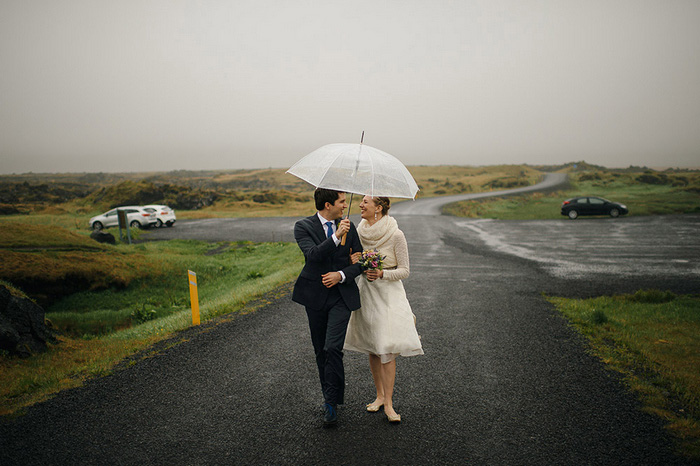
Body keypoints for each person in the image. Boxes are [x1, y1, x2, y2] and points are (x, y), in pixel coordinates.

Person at [344, 196, 423, 423]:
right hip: (366, 294)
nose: (360, 205)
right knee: (373, 346)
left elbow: (405, 270)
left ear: (378, 208)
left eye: (365, 202)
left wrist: (382, 274)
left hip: (388, 295)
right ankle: (378, 396)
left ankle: (389, 403)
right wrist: (353, 260)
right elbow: (355, 264)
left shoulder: (396, 234)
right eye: (360, 201)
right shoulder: (358, 232)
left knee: (387, 348)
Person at [292, 188, 364, 427]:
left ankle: (331, 404)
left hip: (341, 296)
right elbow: (312, 255)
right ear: (327, 205)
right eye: (341, 202)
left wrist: (342, 274)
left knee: (333, 347)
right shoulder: (303, 227)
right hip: (314, 296)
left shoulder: (349, 226)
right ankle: (328, 398)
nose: (345, 206)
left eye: (345, 202)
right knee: (320, 350)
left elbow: (360, 260)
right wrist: (335, 237)